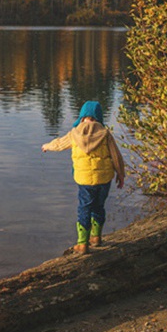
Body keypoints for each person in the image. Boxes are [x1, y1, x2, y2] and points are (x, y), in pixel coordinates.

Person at [42, 101, 125, 254]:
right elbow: (116, 156)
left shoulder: (75, 133)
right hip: (104, 178)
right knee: (99, 206)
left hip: (85, 180)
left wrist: (47, 146)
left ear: (82, 117)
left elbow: (59, 144)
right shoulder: (105, 133)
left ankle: (82, 244)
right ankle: (96, 238)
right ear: (98, 117)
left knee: (84, 208)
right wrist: (121, 174)